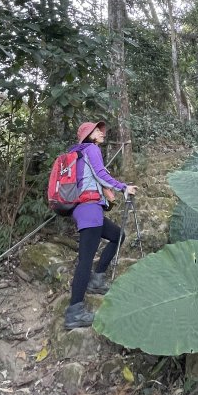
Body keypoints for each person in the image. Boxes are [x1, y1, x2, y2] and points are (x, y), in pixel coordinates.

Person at [64, 120, 137, 330]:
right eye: (98, 131)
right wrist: (123, 187)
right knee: (85, 260)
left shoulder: (78, 154)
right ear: (89, 135)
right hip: (89, 210)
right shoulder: (91, 149)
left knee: (118, 236)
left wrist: (106, 193)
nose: (102, 133)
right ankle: (74, 311)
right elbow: (100, 174)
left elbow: (90, 178)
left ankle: (97, 279)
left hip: (86, 209)